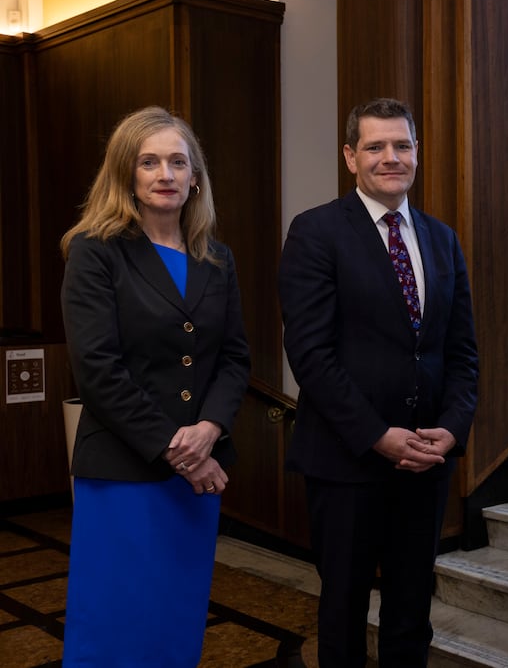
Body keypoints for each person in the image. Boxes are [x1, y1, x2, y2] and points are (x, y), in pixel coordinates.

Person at [278, 97, 478, 667]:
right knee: (342, 610)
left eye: (402, 146)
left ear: (417, 153)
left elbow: (461, 352)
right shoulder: (316, 232)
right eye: (375, 147)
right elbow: (310, 355)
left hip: (425, 461)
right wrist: (377, 435)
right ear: (350, 156)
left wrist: (451, 428)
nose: (391, 157)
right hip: (347, 461)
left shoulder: (442, 239)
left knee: (412, 607)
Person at [59, 106, 251, 667]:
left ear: (195, 178)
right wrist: (183, 453)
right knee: (117, 622)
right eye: (149, 162)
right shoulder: (95, 250)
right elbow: (98, 369)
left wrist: (210, 430)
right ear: (126, 175)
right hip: (124, 473)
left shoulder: (217, 258)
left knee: (176, 619)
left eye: (177, 161)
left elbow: (236, 357)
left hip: (195, 480)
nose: (164, 174)